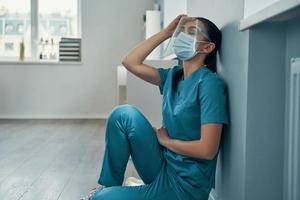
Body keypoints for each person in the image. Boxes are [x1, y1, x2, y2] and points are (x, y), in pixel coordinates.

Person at [82, 14, 229, 200]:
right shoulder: (173, 76)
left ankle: (106, 195)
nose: (182, 36)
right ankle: (108, 187)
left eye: (191, 32)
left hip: (183, 187)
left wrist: (167, 142)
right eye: (181, 31)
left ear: (207, 47)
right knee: (122, 114)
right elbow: (130, 62)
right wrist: (166, 33)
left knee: (99, 199)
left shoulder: (209, 85)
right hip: (164, 165)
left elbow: (208, 150)